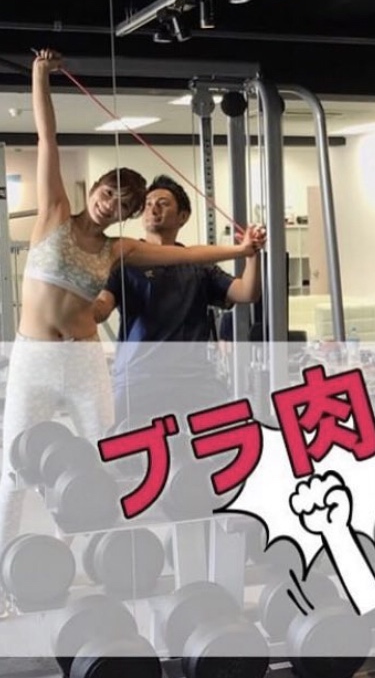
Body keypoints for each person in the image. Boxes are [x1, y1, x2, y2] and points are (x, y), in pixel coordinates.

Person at [0, 50, 264, 555]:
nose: (110, 205)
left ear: (127, 214)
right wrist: (39, 75)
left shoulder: (117, 249)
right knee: (15, 466)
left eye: (123, 204)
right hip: (35, 357)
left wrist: (242, 249)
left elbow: (187, 255)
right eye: (107, 194)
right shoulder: (53, 214)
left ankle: (83, 553)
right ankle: (5, 569)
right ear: (95, 190)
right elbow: (47, 138)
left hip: (83, 361)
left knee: (102, 464)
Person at [93, 174, 262, 421]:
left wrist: (252, 254)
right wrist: (73, 295)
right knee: (124, 440)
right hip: (139, 380)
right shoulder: (125, 264)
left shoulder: (198, 265)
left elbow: (247, 292)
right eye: (148, 204)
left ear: (183, 216)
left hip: (194, 380)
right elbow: (100, 310)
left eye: (163, 203)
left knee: (225, 432)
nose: (153, 209)